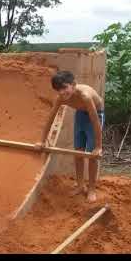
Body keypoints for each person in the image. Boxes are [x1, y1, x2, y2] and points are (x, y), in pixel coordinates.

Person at [35, 70, 104, 202]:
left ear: (73, 84)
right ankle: (80, 185)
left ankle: (91, 189)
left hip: (95, 115)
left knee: (92, 156)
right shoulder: (61, 98)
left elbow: (95, 121)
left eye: (64, 88)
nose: (62, 92)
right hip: (80, 115)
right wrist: (42, 141)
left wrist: (99, 146)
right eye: (58, 90)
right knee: (78, 152)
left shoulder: (85, 96)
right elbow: (50, 118)